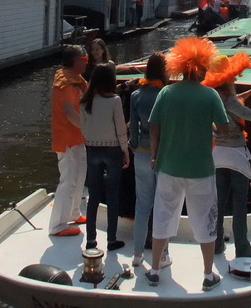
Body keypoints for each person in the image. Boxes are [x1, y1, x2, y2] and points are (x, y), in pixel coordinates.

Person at [147, 37, 229, 291]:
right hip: (200, 170)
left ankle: (154, 270)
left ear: (181, 67)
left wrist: (154, 156)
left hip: (168, 166)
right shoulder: (210, 95)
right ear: (200, 68)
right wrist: (211, 128)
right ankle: (207, 275)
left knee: (163, 216)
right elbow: (224, 130)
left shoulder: (166, 92)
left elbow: (154, 128)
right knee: (205, 220)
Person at [205, 53, 251, 259]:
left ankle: (217, 245)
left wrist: (248, 92)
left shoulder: (212, 96)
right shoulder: (230, 99)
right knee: (239, 204)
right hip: (237, 158)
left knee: (219, 202)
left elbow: (231, 106)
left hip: (218, 156)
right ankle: (242, 249)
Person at [80, 63, 130, 251]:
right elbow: (120, 129)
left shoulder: (85, 101)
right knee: (112, 196)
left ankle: (91, 240)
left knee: (93, 196)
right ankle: (111, 239)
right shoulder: (114, 100)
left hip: (92, 150)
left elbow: (83, 128)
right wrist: (125, 150)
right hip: (112, 151)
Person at [128, 52, 168, 268]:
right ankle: (163, 255)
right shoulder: (166, 93)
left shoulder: (136, 95)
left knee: (142, 205)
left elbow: (133, 130)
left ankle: (136, 254)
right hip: (163, 155)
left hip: (141, 153)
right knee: (163, 206)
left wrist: (134, 145)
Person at [49, 45, 89, 236]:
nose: (86, 63)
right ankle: (57, 226)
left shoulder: (76, 80)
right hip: (67, 139)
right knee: (68, 180)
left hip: (78, 137)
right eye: (84, 60)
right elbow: (69, 112)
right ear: (74, 61)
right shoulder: (65, 83)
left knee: (80, 176)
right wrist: (90, 127)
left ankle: (74, 212)